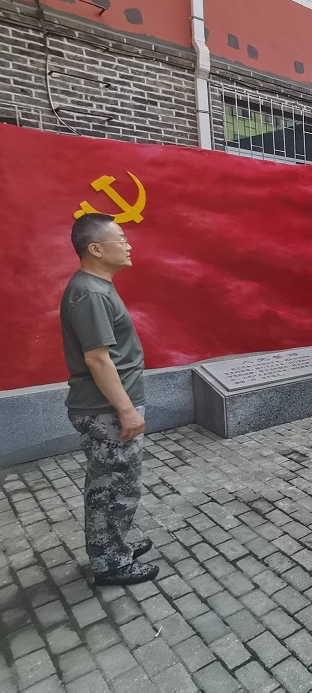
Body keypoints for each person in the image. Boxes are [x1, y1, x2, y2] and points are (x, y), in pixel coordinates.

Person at [60, 213, 158, 585]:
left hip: (108, 407)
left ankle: (114, 546)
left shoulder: (96, 287)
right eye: (121, 239)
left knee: (114, 482)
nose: (128, 245)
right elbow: (97, 359)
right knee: (113, 487)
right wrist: (126, 409)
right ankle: (110, 563)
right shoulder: (90, 293)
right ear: (96, 249)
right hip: (106, 410)